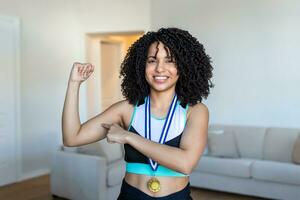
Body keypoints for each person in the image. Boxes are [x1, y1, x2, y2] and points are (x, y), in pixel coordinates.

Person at [62, 27, 214, 200]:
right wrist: (74, 83)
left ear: (184, 66)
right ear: (142, 65)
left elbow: (185, 163)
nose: (160, 68)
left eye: (170, 60)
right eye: (152, 60)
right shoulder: (126, 109)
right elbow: (72, 138)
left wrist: (128, 137)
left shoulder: (195, 111)